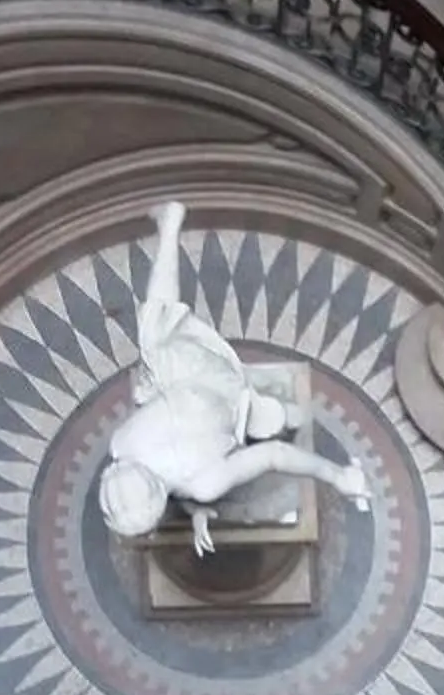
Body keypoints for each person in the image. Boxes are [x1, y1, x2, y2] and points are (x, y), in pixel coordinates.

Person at [99, 202, 369, 554]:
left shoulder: (204, 484)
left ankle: (169, 225)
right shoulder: (124, 443)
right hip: (193, 370)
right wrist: (195, 511)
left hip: (228, 394)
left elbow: (273, 455)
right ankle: (170, 225)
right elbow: (168, 455)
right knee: (154, 330)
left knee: (157, 342)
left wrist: (339, 477)